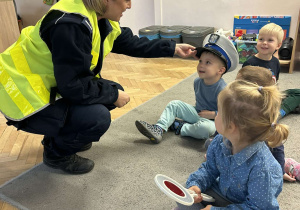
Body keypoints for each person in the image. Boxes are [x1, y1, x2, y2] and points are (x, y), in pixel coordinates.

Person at [0, 0, 197, 175]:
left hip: (47, 87)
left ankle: (60, 136)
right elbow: (73, 86)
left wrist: (172, 49)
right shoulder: (71, 24)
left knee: (112, 90)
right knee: (98, 117)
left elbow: (131, 43)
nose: (129, 6)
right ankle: (56, 154)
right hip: (22, 99)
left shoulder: (99, 18)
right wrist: (112, 96)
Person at [175, 80, 289, 210]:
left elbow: (257, 207)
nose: (215, 116)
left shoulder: (262, 168)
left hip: (247, 206)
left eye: (218, 112)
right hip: (222, 193)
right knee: (185, 192)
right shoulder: (219, 142)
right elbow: (209, 170)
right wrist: (196, 185)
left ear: (230, 126)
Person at [135, 33, 239, 143]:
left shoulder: (224, 90)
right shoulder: (197, 82)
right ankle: (159, 128)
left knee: (207, 129)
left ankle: (180, 127)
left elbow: (230, 113)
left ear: (221, 70)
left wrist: (213, 114)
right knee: (174, 104)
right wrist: (194, 114)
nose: (201, 65)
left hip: (213, 120)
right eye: (200, 61)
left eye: (208, 62)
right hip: (197, 113)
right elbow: (198, 106)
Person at [236, 66, 296, 182]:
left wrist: (280, 171)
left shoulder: (266, 119)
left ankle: (286, 164)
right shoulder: (235, 109)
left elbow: (277, 146)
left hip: (260, 157)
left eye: (237, 85)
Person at [242, 22, 300, 118]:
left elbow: (275, 83)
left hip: (270, 96)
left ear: (278, 45)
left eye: (270, 40)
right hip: (255, 100)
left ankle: (280, 111)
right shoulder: (249, 63)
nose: (264, 42)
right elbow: (242, 89)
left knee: (298, 93)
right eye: (261, 39)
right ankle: (280, 111)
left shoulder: (276, 62)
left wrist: (275, 97)